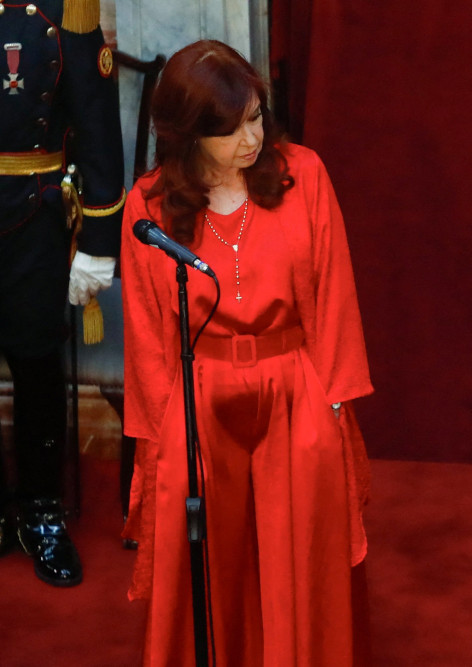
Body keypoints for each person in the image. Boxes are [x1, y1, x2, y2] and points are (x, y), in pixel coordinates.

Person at [120, 40, 373, 666]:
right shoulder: (148, 206)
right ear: (188, 134)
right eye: (231, 129)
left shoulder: (304, 174)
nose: (251, 138)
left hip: (294, 388)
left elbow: (334, 293)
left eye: (257, 117)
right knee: (205, 560)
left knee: (301, 559)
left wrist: (333, 403)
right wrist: (157, 443)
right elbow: (149, 338)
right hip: (196, 396)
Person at [0, 0, 124, 586]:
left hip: (34, 220)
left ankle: (41, 511)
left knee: (35, 364)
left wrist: (98, 238)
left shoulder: (63, 9)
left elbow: (97, 126)